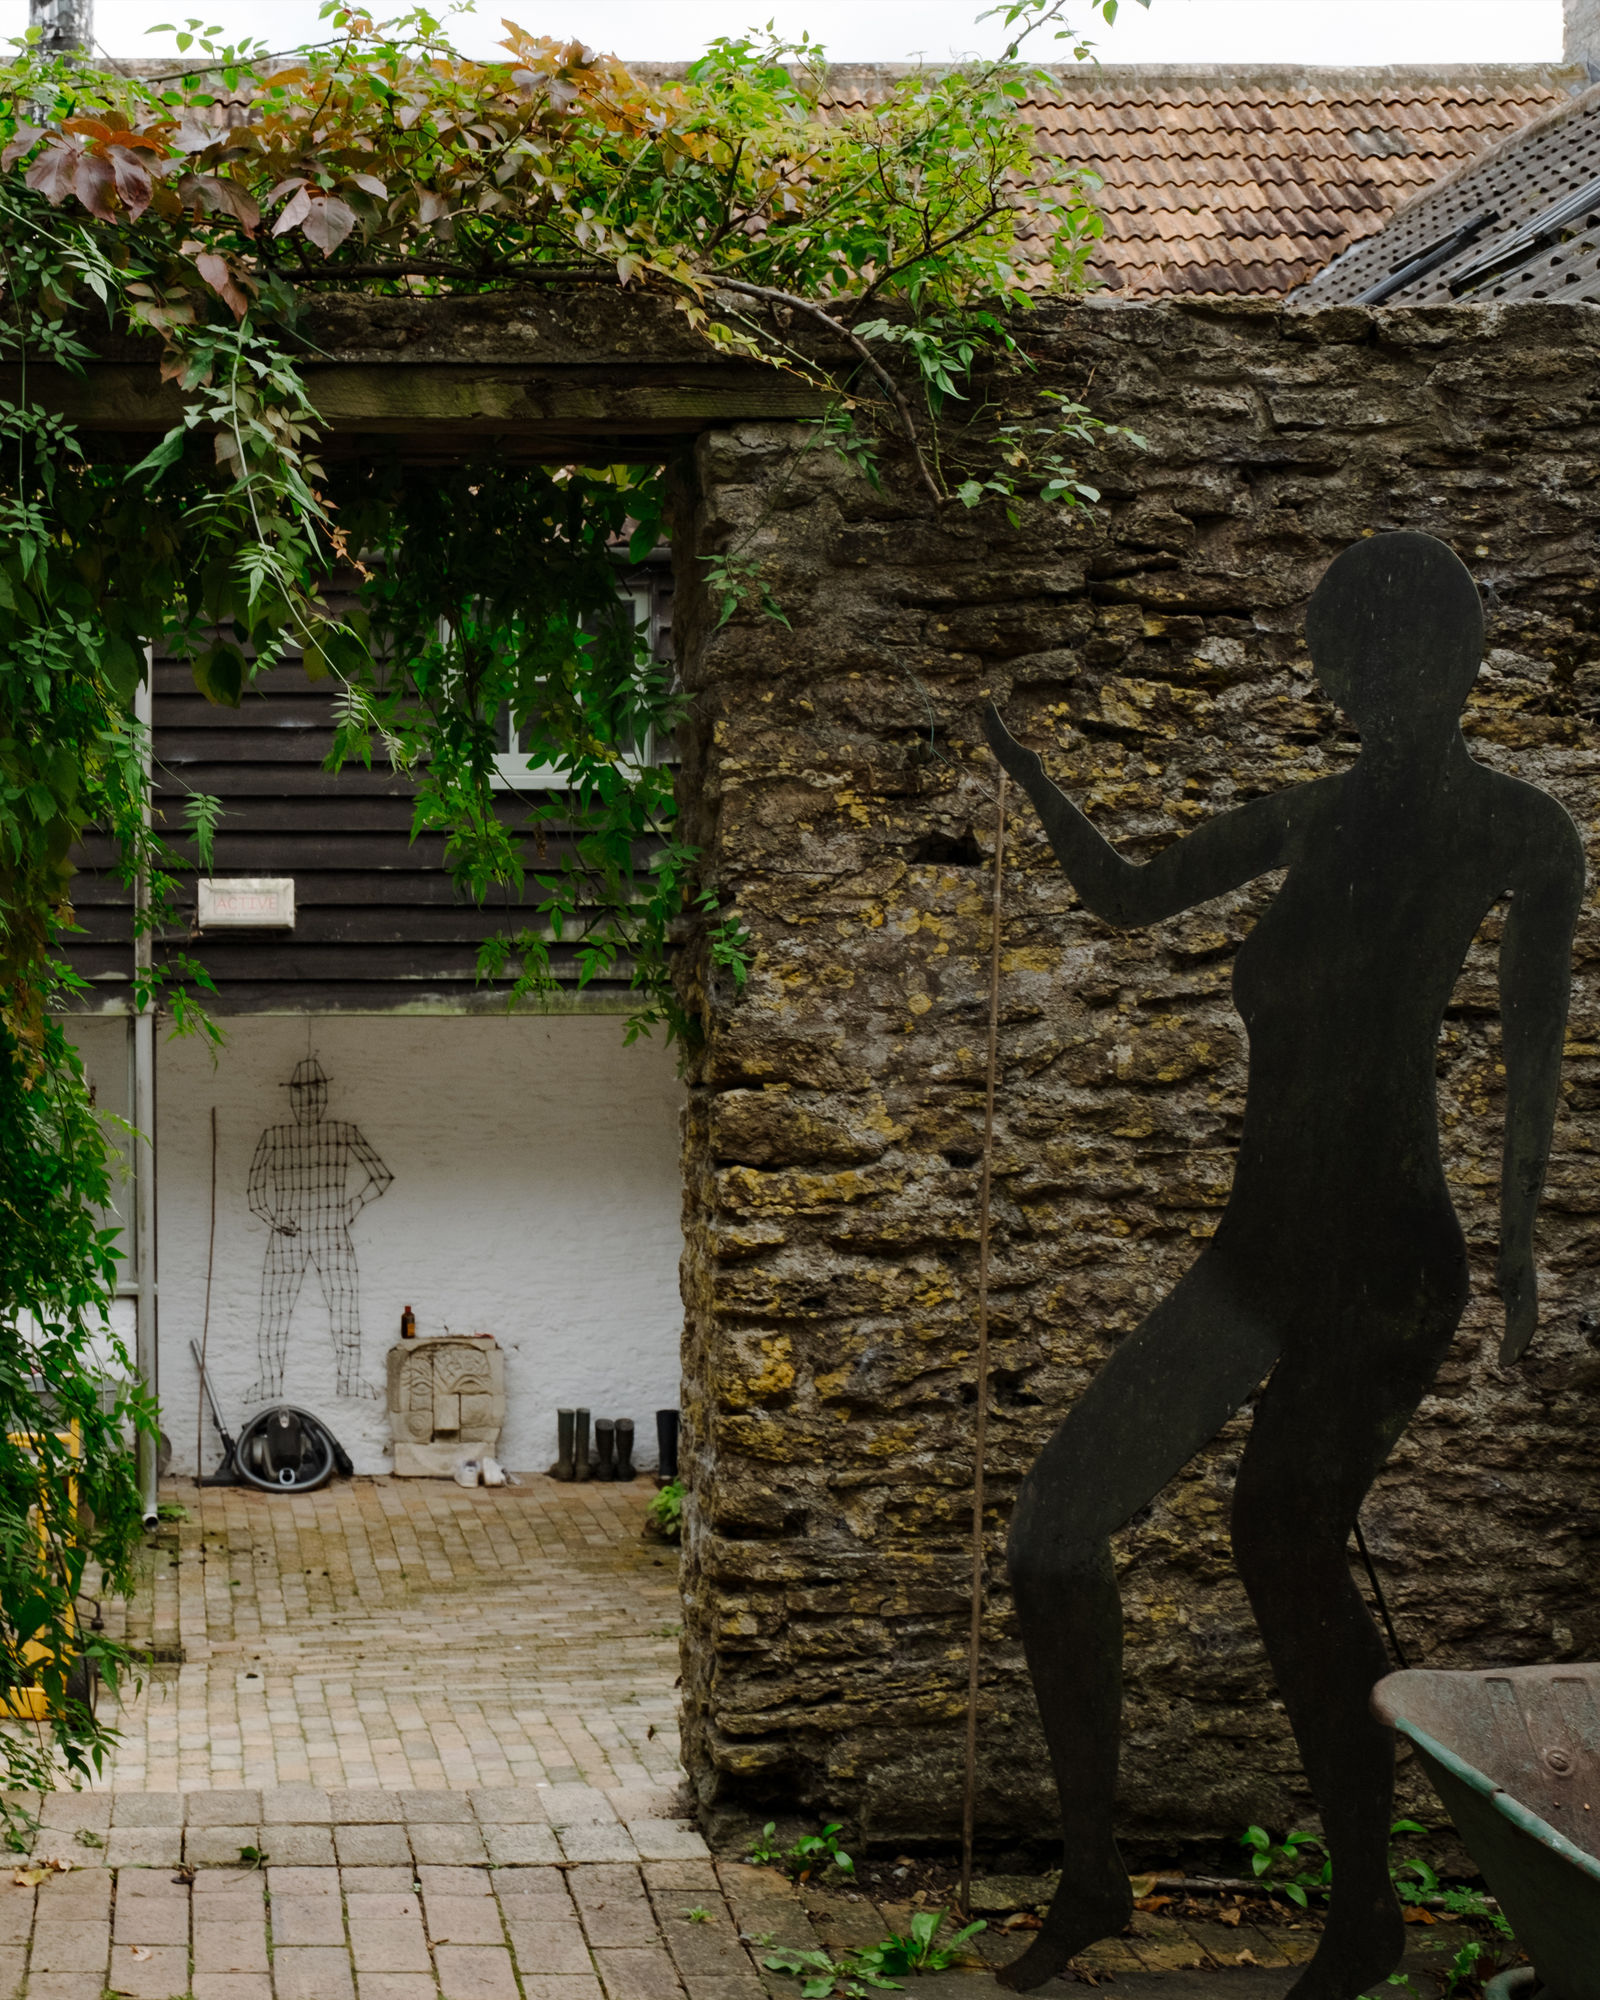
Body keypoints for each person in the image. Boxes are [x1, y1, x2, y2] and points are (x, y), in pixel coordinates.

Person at [981, 532, 1584, 2000]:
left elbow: (1530, 1060)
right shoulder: (1307, 819)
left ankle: (1366, 1911)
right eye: (1356, 657)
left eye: (1410, 655)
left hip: (1387, 1260)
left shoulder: (1520, 831)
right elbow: (1127, 897)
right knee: (1056, 1529)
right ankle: (1095, 1874)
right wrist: (1027, 772)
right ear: (1336, 674)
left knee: (1282, 1545)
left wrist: (1514, 1271)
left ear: (1457, 663)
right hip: (1258, 1251)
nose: (1381, 682)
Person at [246, 1055, 394, 1402]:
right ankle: (269, 1381)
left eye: (315, 1093)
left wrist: (352, 1206)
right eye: (301, 1094)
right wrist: (274, 1219)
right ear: (291, 1097)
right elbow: (254, 1195)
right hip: (288, 1235)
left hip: (332, 1232)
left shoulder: (342, 1133)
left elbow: (381, 1176)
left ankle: (350, 1379)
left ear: (325, 1095)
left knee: (344, 1305)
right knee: (274, 1308)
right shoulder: (274, 1137)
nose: (309, 1103)